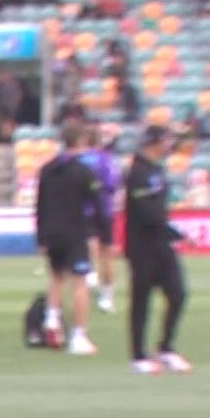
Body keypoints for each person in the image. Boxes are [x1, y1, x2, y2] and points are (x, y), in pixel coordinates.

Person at [122, 126, 191, 374]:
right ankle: (138, 356)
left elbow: (159, 211)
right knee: (141, 300)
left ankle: (166, 348)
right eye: (166, 140)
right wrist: (176, 233)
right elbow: (146, 213)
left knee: (178, 294)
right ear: (154, 142)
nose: (170, 144)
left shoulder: (157, 169)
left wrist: (172, 233)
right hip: (142, 246)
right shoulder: (138, 172)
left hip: (161, 244)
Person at [33, 121, 101, 355]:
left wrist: (41, 237)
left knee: (56, 277)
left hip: (51, 231)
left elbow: (40, 205)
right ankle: (79, 336)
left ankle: (52, 320)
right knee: (80, 283)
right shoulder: (83, 171)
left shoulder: (47, 169)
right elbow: (96, 204)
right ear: (81, 141)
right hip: (74, 232)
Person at [82, 125, 123, 313]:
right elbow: (113, 184)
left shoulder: (79, 159)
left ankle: (91, 271)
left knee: (89, 240)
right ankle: (107, 297)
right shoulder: (106, 159)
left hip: (85, 208)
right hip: (105, 208)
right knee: (108, 251)